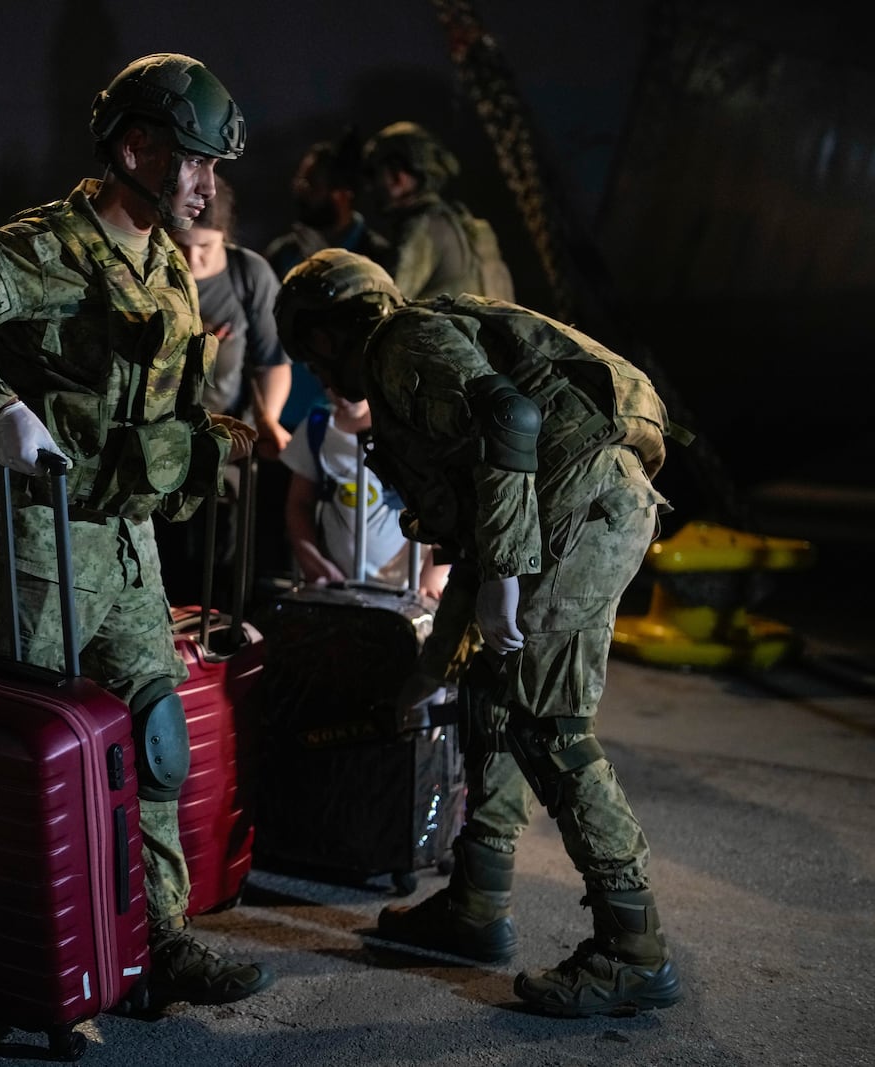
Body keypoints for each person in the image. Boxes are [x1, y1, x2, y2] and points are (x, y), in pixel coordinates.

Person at [0, 52, 275, 1009]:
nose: (207, 186)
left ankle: (158, 942)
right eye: (191, 161)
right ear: (134, 146)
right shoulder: (45, 250)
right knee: (20, 759)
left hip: (128, 545)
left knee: (159, 742)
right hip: (39, 549)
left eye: (215, 167)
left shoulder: (163, 257)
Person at [274, 248, 684, 1017]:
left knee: (550, 729)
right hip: (575, 507)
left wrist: (505, 572)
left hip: (578, 513)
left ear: (334, 330)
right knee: (491, 699)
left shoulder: (398, 343)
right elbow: (478, 519)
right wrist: (431, 668)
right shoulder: (413, 364)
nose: (319, 374)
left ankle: (633, 949)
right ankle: (475, 904)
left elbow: (511, 417)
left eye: (314, 350)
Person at [157, 177, 290, 605]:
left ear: (225, 240)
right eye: (182, 247)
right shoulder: (147, 270)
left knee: (220, 570)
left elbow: (272, 362)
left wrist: (264, 421)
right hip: (157, 445)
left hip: (225, 453)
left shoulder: (248, 275)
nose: (193, 263)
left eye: (206, 249)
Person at [281, 385, 448, 595]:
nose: (344, 393)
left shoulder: (414, 432)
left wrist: (434, 573)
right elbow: (299, 504)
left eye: (352, 381)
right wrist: (312, 560)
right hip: (342, 587)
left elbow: (447, 507)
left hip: (411, 588)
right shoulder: (317, 429)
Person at [361, 121, 513, 302]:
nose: (371, 187)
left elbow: (383, 303)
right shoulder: (469, 228)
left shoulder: (423, 227)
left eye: (375, 173)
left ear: (398, 176)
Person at [264, 129, 392, 283]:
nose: (300, 191)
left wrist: (325, 264)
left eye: (311, 183)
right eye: (299, 181)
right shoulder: (283, 254)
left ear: (343, 193)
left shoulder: (377, 256)